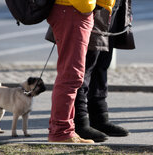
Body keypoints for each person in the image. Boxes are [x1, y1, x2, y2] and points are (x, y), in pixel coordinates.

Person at [47, 0, 115, 143]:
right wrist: (90, 7)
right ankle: (61, 131)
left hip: (75, 11)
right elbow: (84, 3)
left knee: (72, 75)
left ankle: (65, 129)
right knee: (71, 75)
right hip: (74, 10)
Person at [74, 0, 136, 142]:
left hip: (112, 7)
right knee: (84, 68)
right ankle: (80, 122)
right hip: (91, 8)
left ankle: (99, 118)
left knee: (102, 65)